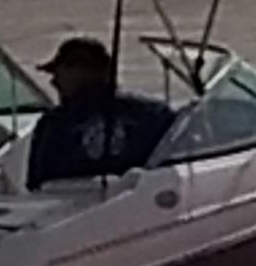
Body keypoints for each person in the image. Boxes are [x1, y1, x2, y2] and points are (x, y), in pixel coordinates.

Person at [25, 36, 174, 187]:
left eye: (59, 73)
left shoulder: (55, 125)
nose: (54, 82)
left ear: (81, 70)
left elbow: (37, 185)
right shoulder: (154, 114)